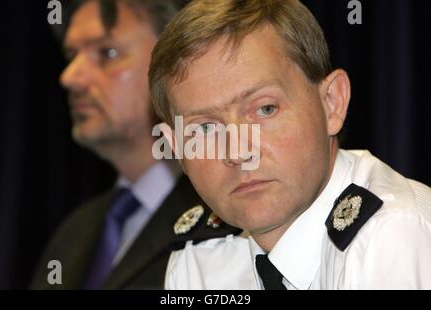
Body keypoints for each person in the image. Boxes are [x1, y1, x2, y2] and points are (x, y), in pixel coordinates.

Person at [148, 0, 431, 289]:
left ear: (332, 104)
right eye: (205, 128)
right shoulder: (200, 257)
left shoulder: (391, 235)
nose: (238, 152)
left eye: (266, 109)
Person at [30, 0, 240, 290]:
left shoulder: (234, 216)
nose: (70, 78)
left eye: (107, 52)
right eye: (71, 55)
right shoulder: (72, 234)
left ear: (177, 64)